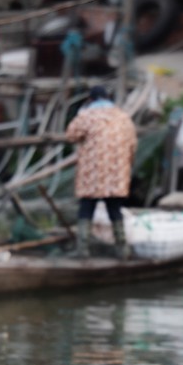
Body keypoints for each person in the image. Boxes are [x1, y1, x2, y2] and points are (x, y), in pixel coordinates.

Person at [64, 85, 138, 259]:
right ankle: (122, 249)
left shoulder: (87, 115)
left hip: (93, 171)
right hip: (116, 170)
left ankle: (83, 249)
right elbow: (133, 144)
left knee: (86, 206)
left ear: (91, 99)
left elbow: (71, 135)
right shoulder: (123, 116)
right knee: (114, 207)